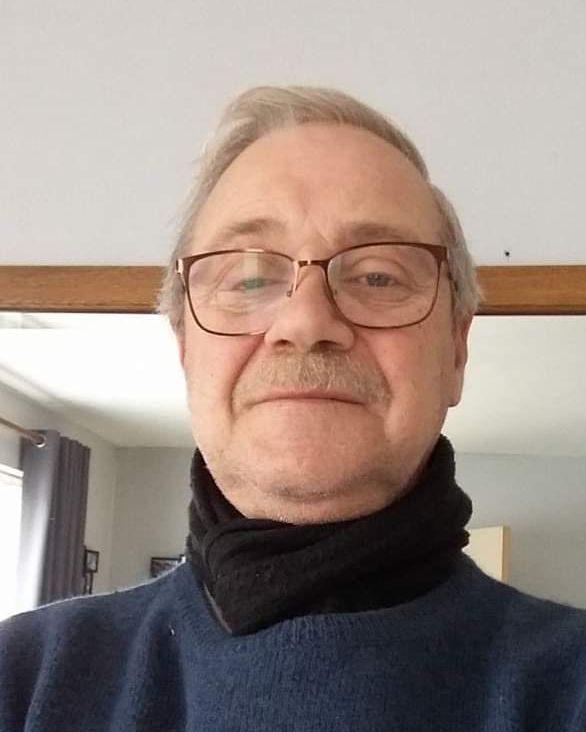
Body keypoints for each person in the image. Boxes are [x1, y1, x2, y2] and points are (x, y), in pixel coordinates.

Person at [1, 86, 585, 731]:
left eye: (378, 276)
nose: (306, 322)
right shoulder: (20, 680)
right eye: (249, 278)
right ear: (185, 347)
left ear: (456, 350)